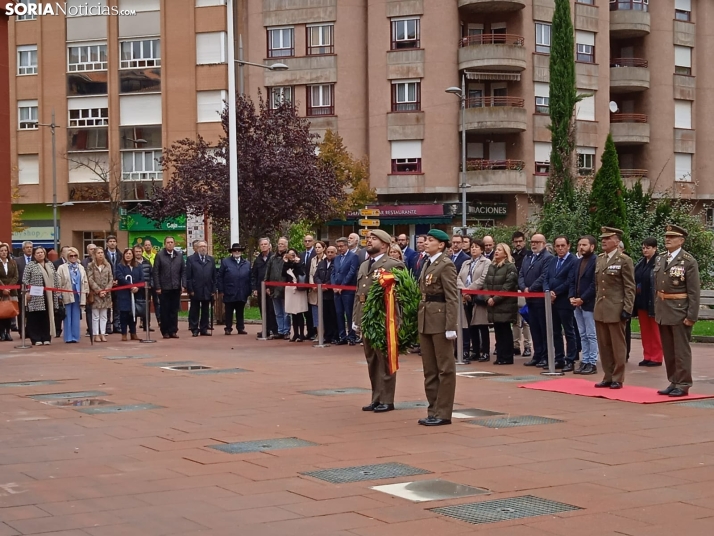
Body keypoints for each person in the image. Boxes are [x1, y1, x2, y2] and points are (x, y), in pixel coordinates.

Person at [352, 230, 405, 413]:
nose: (369, 241)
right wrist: (355, 319)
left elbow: (400, 296)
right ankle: (376, 397)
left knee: (385, 360)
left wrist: (398, 320)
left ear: (384, 244)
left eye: (374, 239)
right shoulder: (364, 265)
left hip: (384, 318)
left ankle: (387, 399)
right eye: (368, 238)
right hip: (366, 318)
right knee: (372, 360)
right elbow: (358, 294)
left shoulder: (393, 265)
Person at [417, 229, 459, 426]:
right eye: (426, 239)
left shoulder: (446, 264)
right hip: (426, 319)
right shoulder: (428, 262)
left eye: (430, 240)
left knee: (445, 369)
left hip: (440, 321)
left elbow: (452, 297)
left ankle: (443, 412)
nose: (426, 242)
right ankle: (433, 409)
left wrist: (451, 325)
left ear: (441, 244)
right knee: (430, 369)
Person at [655, 225, 700, 397]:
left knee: (681, 350)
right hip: (663, 310)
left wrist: (692, 316)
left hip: (680, 311)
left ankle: (683, 383)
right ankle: (673, 381)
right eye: (666, 236)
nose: (667, 239)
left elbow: (694, 291)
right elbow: (657, 287)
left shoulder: (688, 261)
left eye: (672, 237)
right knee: (669, 349)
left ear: (681, 240)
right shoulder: (660, 259)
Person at [594, 227, 636, 390]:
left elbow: (629, 286)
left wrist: (627, 307)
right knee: (604, 345)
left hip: (616, 308)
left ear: (617, 241)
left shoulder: (624, 260)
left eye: (608, 238)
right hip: (601, 308)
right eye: (602, 238)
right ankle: (608, 375)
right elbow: (598, 285)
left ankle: (618, 377)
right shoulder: (600, 259)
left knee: (618, 345)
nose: (603, 241)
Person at [544, 236, 578, 371]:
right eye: (557, 246)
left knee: (569, 331)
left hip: (564, 301)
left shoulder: (573, 261)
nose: (560, 248)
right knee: (555, 331)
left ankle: (570, 360)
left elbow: (570, 281)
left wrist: (555, 293)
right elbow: (546, 277)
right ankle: (559, 358)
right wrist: (547, 291)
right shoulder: (553, 260)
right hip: (551, 301)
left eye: (563, 245)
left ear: (568, 246)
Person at [519, 233, 552, 367]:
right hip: (530, 298)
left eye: (537, 242)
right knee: (534, 328)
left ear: (543, 244)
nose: (534, 244)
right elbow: (521, 273)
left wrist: (531, 288)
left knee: (543, 328)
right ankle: (537, 354)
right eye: (532, 241)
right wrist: (523, 287)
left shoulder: (548, 258)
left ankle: (545, 355)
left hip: (540, 298)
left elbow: (544, 276)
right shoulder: (528, 257)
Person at [483, 243, 518, 365]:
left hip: (505, 304)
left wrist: (496, 299)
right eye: (496, 250)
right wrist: (487, 297)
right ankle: (500, 356)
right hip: (493, 304)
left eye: (499, 250)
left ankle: (507, 357)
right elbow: (486, 284)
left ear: (505, 253)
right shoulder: (492, 267)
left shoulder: (510, 267)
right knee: (498, 331)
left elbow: (508, 286)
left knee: (505, 331)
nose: (496, 252)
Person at [457, 239, 491, 363]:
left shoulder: (486, 262)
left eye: (476, 247)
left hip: (478, 297)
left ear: (481, 249)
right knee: (471, 326)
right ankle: (475, 351)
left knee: (481, 325)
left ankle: (485, 352)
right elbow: (459, 277)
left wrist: (470, 290)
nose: (473, 249)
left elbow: (483, 278)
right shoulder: (466, 263)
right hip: (466, 297)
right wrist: (464, 291)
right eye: (472, 247)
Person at [570, 235, 598, 375]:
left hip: (589, 304)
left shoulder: (596, 261)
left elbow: (594, 284)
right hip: (577, 304)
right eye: (579, 245)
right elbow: (572, 281)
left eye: (584, 245)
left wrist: (583, 299)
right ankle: (585, 360)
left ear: (592, 247)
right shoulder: (578, 262)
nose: (581, 247)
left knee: (591, 334)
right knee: (582, 334)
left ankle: (592, 362)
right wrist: (572, 297)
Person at [22, 247, 60, 346]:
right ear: (34, 255)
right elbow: (25, 280)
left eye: (41, 252)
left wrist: (57, 291)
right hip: (35, 296)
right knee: (35, 317)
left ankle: (46, 337)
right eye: (37, 253)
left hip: (49, 295)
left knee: (47, 316)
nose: (40, 254)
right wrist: (27, 292)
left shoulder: (50, 264)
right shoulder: (30, 265)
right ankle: (36, 338)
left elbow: (55, 279)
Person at [635, 237, 663, 367]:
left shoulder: (658, 262)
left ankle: (656, 357)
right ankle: (647, 355)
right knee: (645, 330)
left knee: (655, 330)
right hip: (642, 300)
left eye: (648, 248)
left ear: (655, 248)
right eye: (643, 248)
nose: (645, 250)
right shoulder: (641, 263)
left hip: (653, 301)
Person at [153, 236, 185, 339]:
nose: (170, 244)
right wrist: (157, 286)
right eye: (168, 242)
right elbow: (156, 272)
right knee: (164, 310)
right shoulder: (159, 255)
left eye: (171, 242)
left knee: (174, 310)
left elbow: (183, 271)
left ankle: (173, 331)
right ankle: (165, 331)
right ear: (165, 244)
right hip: (164, 288)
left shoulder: (179, 256)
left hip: (175, 287)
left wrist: (183, 284)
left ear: (174, 244)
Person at [56, 247, 88, 344]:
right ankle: (68, 337)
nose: (73, 257)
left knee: (76, 316)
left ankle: (75, 336)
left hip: (78, 294)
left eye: (75, 256)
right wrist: (59, 295)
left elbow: (85, 281)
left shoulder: (81, 267)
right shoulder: (62, 267)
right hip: (67, 294)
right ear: (67, 256)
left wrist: (85, 293)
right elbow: (58, 282)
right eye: (71, 256)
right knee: (67, 316)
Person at [218, 243, 252, 335]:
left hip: (242, 291)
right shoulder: (225, 262)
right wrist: (221, 290)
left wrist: (249, 290)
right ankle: (228, 328)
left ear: (241, 252)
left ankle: (240, 328)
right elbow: (220, 276)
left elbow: (250, 277)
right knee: (229, 310)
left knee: (240, 311)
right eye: (235, 250)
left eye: (239, 250)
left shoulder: (247, 263)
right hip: (229, 290)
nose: (237, 252)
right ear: (232, 252)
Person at [185, 240, 216, 337]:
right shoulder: (191, 259)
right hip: (196, 289)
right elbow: (188, 276)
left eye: (205, 246)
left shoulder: (210, 259)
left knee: (206, 310)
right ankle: (194, 328)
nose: (203, 248)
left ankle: (204, 328)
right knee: (195, 309)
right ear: (197, 248)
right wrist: (190, 289)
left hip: (207, 289)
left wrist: (213, 290)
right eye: (201, 246)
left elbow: (214, 276)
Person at [332, 237, 359, 345]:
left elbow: (351, 273)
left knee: (349, 313)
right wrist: (334, 286)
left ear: (346, 245)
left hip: (347, 291)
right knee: (339, 313)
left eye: (341, 246)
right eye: (338, 246)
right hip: (336, 291)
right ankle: (342, 336)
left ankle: (351, 336)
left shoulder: (353, 257)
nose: (340, 248)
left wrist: (342, 286)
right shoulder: (337, 258)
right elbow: (333, 272)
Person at [114, 248, 144, 341]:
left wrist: (137, 288)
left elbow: (142, 278)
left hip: (135, 293)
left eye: (130, 253)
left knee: (133, 314)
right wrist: (131, 286)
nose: (128, 255)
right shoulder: (120, 266)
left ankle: (133, 333)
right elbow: (120, 277)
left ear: (133, 255)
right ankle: (124, 333)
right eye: (126, 253)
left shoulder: (138, 266)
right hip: (124, 294)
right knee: (124, 314)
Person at [251, 238, 277, 339]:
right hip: (260, 288)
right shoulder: (258, 260)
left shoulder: (274, 258)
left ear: (270, 245)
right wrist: (254, 288)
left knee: (272, 309)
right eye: (261, 244)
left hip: (272, 289)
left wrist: (270, 287)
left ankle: (274, 329)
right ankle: (265, 328)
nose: (263, 246)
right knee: (263, 309)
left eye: (265, 244)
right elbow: (254, 275)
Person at [511, 231, 532, 357]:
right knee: (515, 321)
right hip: (513, 291)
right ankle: (515, 345)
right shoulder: (512, 256)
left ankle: (528, 345)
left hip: (524, 290)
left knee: (525, 320)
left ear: (524, 241)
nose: (518, 244)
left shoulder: (528, 255)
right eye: (516, 241)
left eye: (520, 241)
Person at [86, 247, 114, 343]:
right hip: (96, 294)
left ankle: (103, 333)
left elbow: (111, 278)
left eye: (102, 252)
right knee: (95, 315)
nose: (101, 254)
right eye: (98, 253)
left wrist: (106, 290)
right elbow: (90, 279)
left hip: (106, 294)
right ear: (95, 254)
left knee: (104, 315)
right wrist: (98, 290)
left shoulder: (108, 265)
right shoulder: (90, 265)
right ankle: (96, 334)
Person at [265, 236, 290, 339]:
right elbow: (268, 272)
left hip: (285, 288)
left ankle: (286, 331)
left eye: (283, 244)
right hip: (274, 289)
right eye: (279, 244)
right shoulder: (272, 258)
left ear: (286, 245)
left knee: (286, 312)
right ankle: (280, 330)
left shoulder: (289, 257)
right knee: (278, 311)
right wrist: (267, 285)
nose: (280, 246)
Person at [283, 248, 309, 342]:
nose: (291, 257)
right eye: (289, 255)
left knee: (299, 312)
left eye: (293, 254)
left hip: (299, 289)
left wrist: (297, 263)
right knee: (293, 313)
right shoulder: (287, 264)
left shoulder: (300, 263)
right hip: (290, 289)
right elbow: (283, 274)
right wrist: (286, 262)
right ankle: (295, 334)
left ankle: (301, 334)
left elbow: (301, 273)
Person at [314, 245, 338, 343]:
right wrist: (320, 285)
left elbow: (334, 276)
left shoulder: (337, 263)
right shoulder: (321, 263)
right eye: (328, 252)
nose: (330, 254)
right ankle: (327, 336)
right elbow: (316, 276)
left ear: (335, 253)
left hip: (332, 294)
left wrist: (326, 285)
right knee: (325, 316)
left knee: (334, 315)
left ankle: (335, 336)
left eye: (332, 252)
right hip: (322, 295)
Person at [299, 234, 317, 339]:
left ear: (313, 242)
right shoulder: (301, 255)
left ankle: (315, 331)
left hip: (313, 286)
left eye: (309, 241)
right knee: (306, 310)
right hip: (303, 286)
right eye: (305, 241)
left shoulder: (316, 253)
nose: (307, 243)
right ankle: (309, 331)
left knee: (313, 309)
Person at [307, 241, 326, 339]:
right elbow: (311, 274)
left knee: (324, 313)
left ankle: (325, 334)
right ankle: (318, 334)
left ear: (323, 248)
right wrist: (312, 285)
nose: (317, 249)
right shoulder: (313, 259)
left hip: (324, 291)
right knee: (315, 314)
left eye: (319, 247)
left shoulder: (326, 259)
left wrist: (320, 286)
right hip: (314, 291)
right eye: (316, 247)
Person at [0, 243, 18, 341]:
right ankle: (2, 333)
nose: (4, 252)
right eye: (1, 251)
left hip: (11, 291)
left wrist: (9, 288)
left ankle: (8, 332)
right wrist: (3, 288)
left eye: (5, 250)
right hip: (1, 291)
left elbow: (16, 276)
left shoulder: (12, 262)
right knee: (1, 313)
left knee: (9, 312)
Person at [15, 240, 33, 336]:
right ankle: (22, 331)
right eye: (27, 247)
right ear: (23, 249)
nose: (29, 249)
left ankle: (30, 330)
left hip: (34, 290)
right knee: (22, 312)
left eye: (31, 247)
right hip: (21, 290)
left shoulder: (35, 259)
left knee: (31, 312)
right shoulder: (17, 260)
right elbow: (16, 275)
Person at [133, 244, 151, 331]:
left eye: (139, 251)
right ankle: (133, 327)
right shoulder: (131, 263)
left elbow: (151, 274)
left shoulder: (147, 262)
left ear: (142, 252)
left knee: (146, 307)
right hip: (135, 289)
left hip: (146, 289)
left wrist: (151, 284)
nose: (138, 253)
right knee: (134, 307)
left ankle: (146, 325)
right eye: (136, 251)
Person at [142, 239, 160, 330]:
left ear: (151, 246)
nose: (147, 246)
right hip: (146, 284)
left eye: (149, 245)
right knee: (146, 304)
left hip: (155, 282)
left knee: (157, 303)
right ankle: (146, 324)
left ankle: (160, 321)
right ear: (143, 247)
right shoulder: (142, 256)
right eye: (146, 245)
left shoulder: (156, 256)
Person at [105, 235, 120, 334]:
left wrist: (118, 279)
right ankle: (107, 326)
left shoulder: (121, 255)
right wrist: (110, 282)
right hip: (106, 284)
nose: (112, 243)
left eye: (114, 241)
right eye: (110, 241)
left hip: (119, 284)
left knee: (117, 306)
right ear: (107, 243)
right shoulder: (103, 254)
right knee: (107, 306)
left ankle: (117, 325)